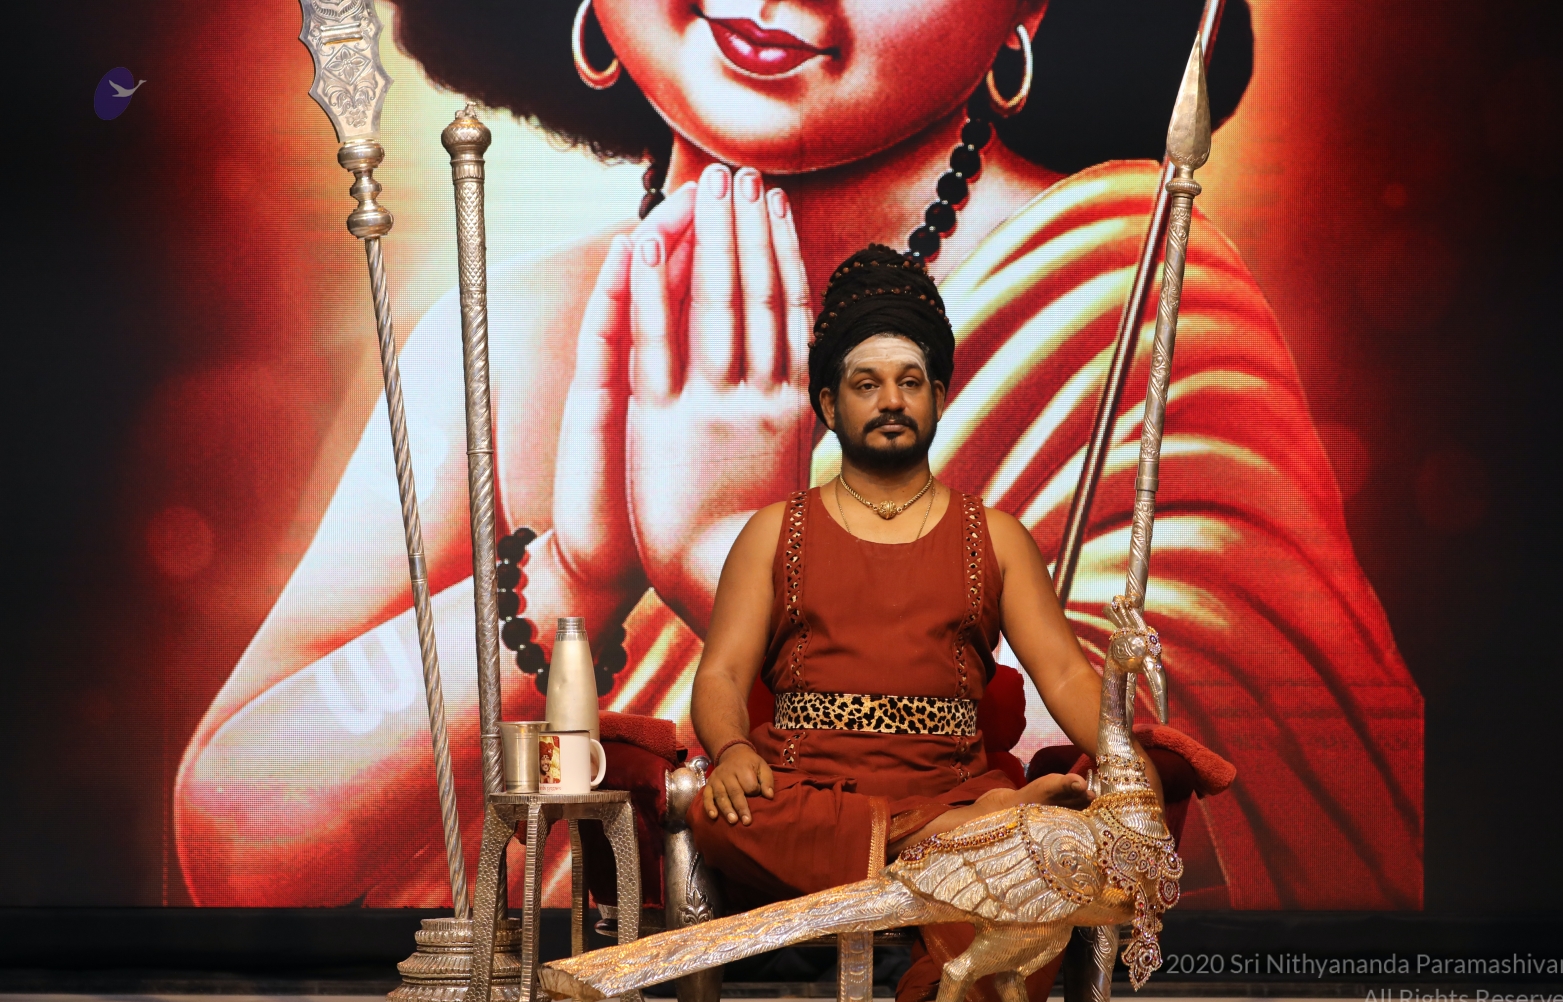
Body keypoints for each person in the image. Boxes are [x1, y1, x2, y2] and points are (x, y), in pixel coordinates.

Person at [173, 0, 1422, 914]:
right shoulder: (520, 332)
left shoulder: (1121, 306)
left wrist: (730, 562)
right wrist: (569, 581)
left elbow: (1132, 845)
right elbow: (240, 837)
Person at [687, 245, 1171, 1002]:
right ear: (829, 403)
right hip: (811, 793)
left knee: (1066, 839)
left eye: (910, 382)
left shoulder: (997, 537)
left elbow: (1063, 673)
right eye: (866, 384)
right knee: (720, 812)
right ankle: (967, 841)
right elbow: (723, 673)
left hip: (949, 783)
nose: (891, 401)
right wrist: (733, 748)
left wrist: (1125, 759)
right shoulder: (775, 531)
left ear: (939, 398)